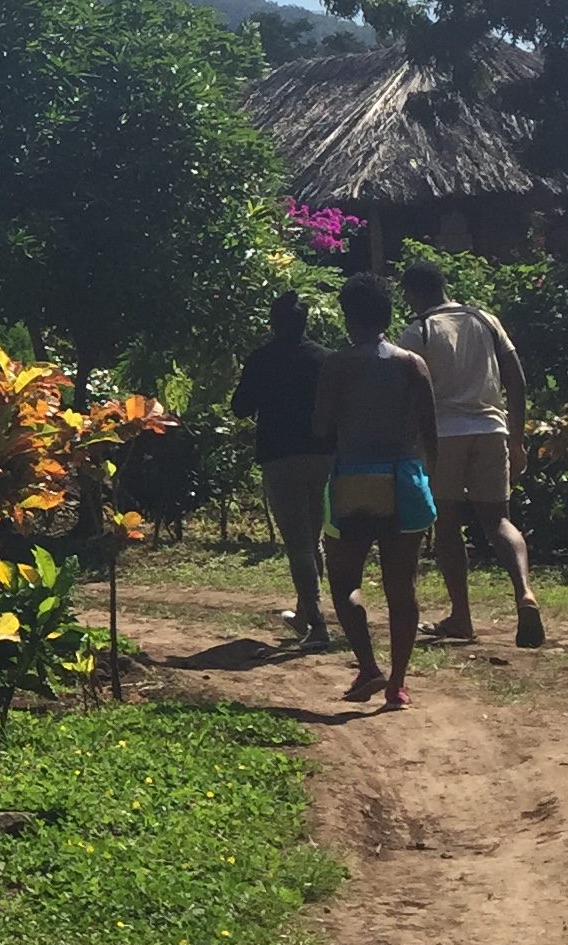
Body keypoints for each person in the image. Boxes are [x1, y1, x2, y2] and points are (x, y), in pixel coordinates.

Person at [397, 257, 545, 649]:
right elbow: (516, 378)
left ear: (414, 293)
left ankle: (461, 616)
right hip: (491, 429)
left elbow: (405, 391)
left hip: (444, 435)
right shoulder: (484, 319)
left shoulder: (419, 331)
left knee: (446, 523)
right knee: (497, 519)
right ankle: (525, 593)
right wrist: (516, 438)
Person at [314, 271, 439, 710]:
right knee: (401, 588)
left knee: (345, 581)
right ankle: (399, 684)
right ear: (387, 315)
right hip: (405, 479)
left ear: (349, 318)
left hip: (354, 479)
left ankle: (368, 665)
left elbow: (321, 425)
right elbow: (430, 430)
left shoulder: (338, 363)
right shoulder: (412, 364)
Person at [231, 290, 333, 649]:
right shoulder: (325, 358)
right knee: (313, 536)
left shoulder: (261, 359)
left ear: (273, 323)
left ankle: (318, 623)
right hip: (323, 455)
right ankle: (304, 613)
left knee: (298, 543)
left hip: (280, 457)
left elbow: (240, 407)